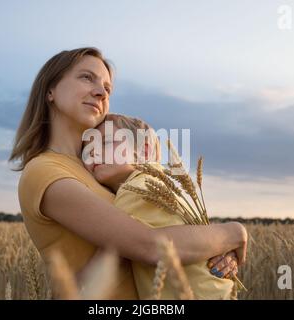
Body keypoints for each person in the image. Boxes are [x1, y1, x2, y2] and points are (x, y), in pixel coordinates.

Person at [9, 47, 247, 299]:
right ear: (50, 91)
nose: (101, 92)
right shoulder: (44, 171)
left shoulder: (98, 173)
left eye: (108, 88)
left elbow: (166, 232)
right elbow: (148, 246)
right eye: (86, 77)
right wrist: (233, 233)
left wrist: (212, 257)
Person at [82, 113, 238, 299]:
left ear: (144, 151)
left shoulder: (136, 189)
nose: (93, 152)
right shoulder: (165, 189)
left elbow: (108, 258)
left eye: (106, 143)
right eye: (87, 148)